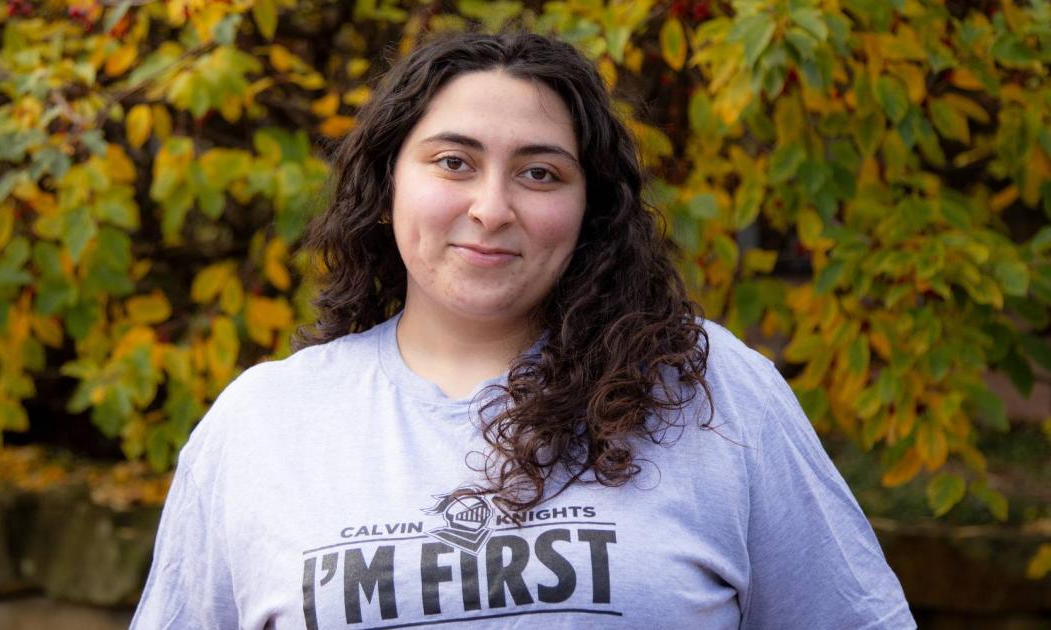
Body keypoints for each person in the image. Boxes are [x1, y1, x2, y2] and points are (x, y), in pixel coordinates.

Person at [131, 32, 915, 629]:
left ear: (589, 207)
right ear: (387, 180)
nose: (492, 208)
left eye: (540, 173)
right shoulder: (263, 424)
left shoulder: (711, 392)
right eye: (453, 162)